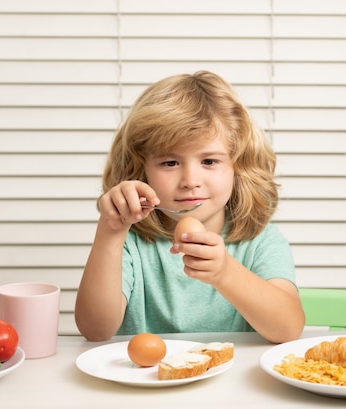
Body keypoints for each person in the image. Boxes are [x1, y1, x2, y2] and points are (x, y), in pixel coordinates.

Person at [74, 70, 305, 343]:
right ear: (140, 169)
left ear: (238, 167)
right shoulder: (130, 242)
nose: (190, 181)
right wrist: (110, 233)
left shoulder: (260, 241)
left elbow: (289, 328)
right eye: (170, 163)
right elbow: (94, 329)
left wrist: (225, 272)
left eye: (209, 161)